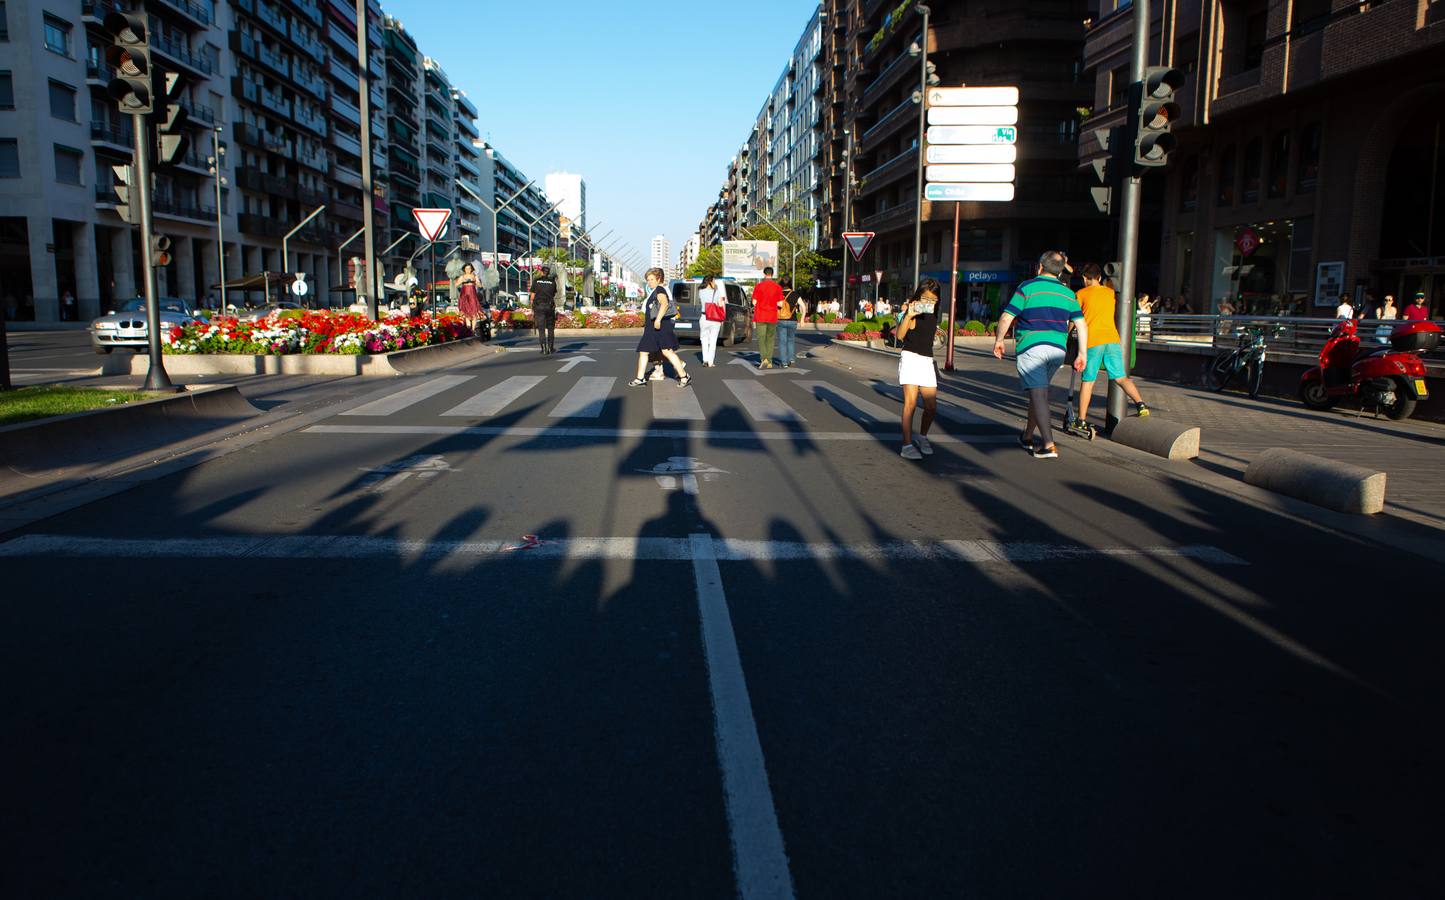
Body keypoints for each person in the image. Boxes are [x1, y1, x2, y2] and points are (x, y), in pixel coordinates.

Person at [993, 250, 1087, 460]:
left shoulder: (1027, 287)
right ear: (1061, 270)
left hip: (1032, 347)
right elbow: (1081, 324)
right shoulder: (1068, 294)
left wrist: (999, 340)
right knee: (1039, 394)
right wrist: (1082, 354)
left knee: (1039, 394)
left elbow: (1007, 316)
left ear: (1039, 267)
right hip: (1057, 350)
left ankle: (1048, 444)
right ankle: (1027, 436)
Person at [1066, 263, 1149, 438]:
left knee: (1088, 381)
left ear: (1084, 278)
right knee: (1121, 377)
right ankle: (1141, 404)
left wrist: (1067, 334)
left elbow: (1074, 318)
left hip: (1092, 340)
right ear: (1100, 277)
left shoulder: (1080, 294)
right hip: (1112, 339)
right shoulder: (1110, 293)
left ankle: (1081, 420)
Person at [895, 278, 942, 460]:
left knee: (931, 406)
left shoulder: (934, 314)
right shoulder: (911, 311)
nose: (928, 303)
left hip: (926, 361)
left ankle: (922, 437)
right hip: (910, 358)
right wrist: (908, 315)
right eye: (925, 298)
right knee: (911, 403)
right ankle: (906, 445)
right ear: (918, 296)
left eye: (932, 300)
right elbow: (900, 336)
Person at [630, 267, 690, 387]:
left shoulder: (660, 289)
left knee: (667, 352)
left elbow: (665, 304)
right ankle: (640, 378)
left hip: (660, 327)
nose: (649, 282)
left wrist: (658, 319)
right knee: (644, 351)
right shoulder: (655, 291)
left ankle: (684, 376)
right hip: (652, 328)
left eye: (652, 279)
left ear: (659, 279)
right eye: (648, 280)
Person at [751, 266, 783, 368]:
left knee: (761, 338)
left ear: (764, 274)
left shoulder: (758, 286)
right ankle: (769, 361)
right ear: (772, 274)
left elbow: (754, 302)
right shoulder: (777, 287)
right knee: (770, 338)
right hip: (772, 316)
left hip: (760, 315)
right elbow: (781, 304)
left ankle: (763, 358)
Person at [698, 274, 725, 367]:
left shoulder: (700, 291)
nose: (714, 283)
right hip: (714, 318)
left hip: (704, 318)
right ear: (710, 282)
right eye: (713, 281)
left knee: (704, 339)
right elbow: (720, 304)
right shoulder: (716, 292)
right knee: (713, 340)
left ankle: (705, 360)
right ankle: (710, 362)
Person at [530, 265, 559, 354]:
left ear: (542, 272)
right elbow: (554, 294)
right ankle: (551, 347)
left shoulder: (536, 281)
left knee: (541, 328)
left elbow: (532, 297)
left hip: (539, 307)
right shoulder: (552, 282)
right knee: (550, 328)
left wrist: (532, 307)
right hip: (549, 307)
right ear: (548, 273)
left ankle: (543, 348)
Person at [777, 278, 804, 368]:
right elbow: (803, 307)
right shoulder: (795, 294)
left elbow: (778, 305)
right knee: (791, 341)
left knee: (782, 342)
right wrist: (802, 319)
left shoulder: (778, 294)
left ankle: (784, 363)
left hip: (780, 320)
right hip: (792, 320)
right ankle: (791, 360)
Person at [456, 263, 482, 333]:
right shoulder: (462, 277)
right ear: (464, 269)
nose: (468, 270)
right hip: (464, 296)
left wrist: (476, 282)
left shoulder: (474, 276)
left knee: (474, 313)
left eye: (469, 268)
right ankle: (468, 329)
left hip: (472, 296)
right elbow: (456, 285)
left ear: (472, 269)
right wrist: (462, 281)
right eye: (466, 268)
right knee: (466, 313)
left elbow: (480, 285)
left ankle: (473, 330)